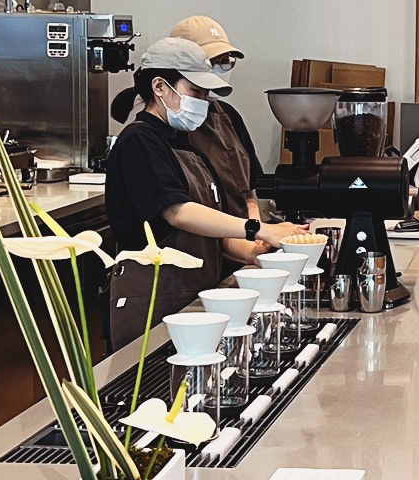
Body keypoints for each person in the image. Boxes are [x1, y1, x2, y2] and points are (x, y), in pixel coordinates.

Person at [103, 36, 306, 347]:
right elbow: (178, 213)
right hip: (153, 298)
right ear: (160, 87)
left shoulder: (185, 144)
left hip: (191, 295)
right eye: (195, 91)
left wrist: (254, 252)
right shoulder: (139, 141)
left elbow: (209, 230)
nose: (203, 101)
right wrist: (260, 229)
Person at [165, 14, 266, 249]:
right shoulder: (160, 131)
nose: (221, 68)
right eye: (212, 61)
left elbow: (248, 194)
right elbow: (179, 213)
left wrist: (256, 237)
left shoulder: (228, 116)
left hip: (243, 245)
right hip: (195, 254)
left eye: (226, 61)